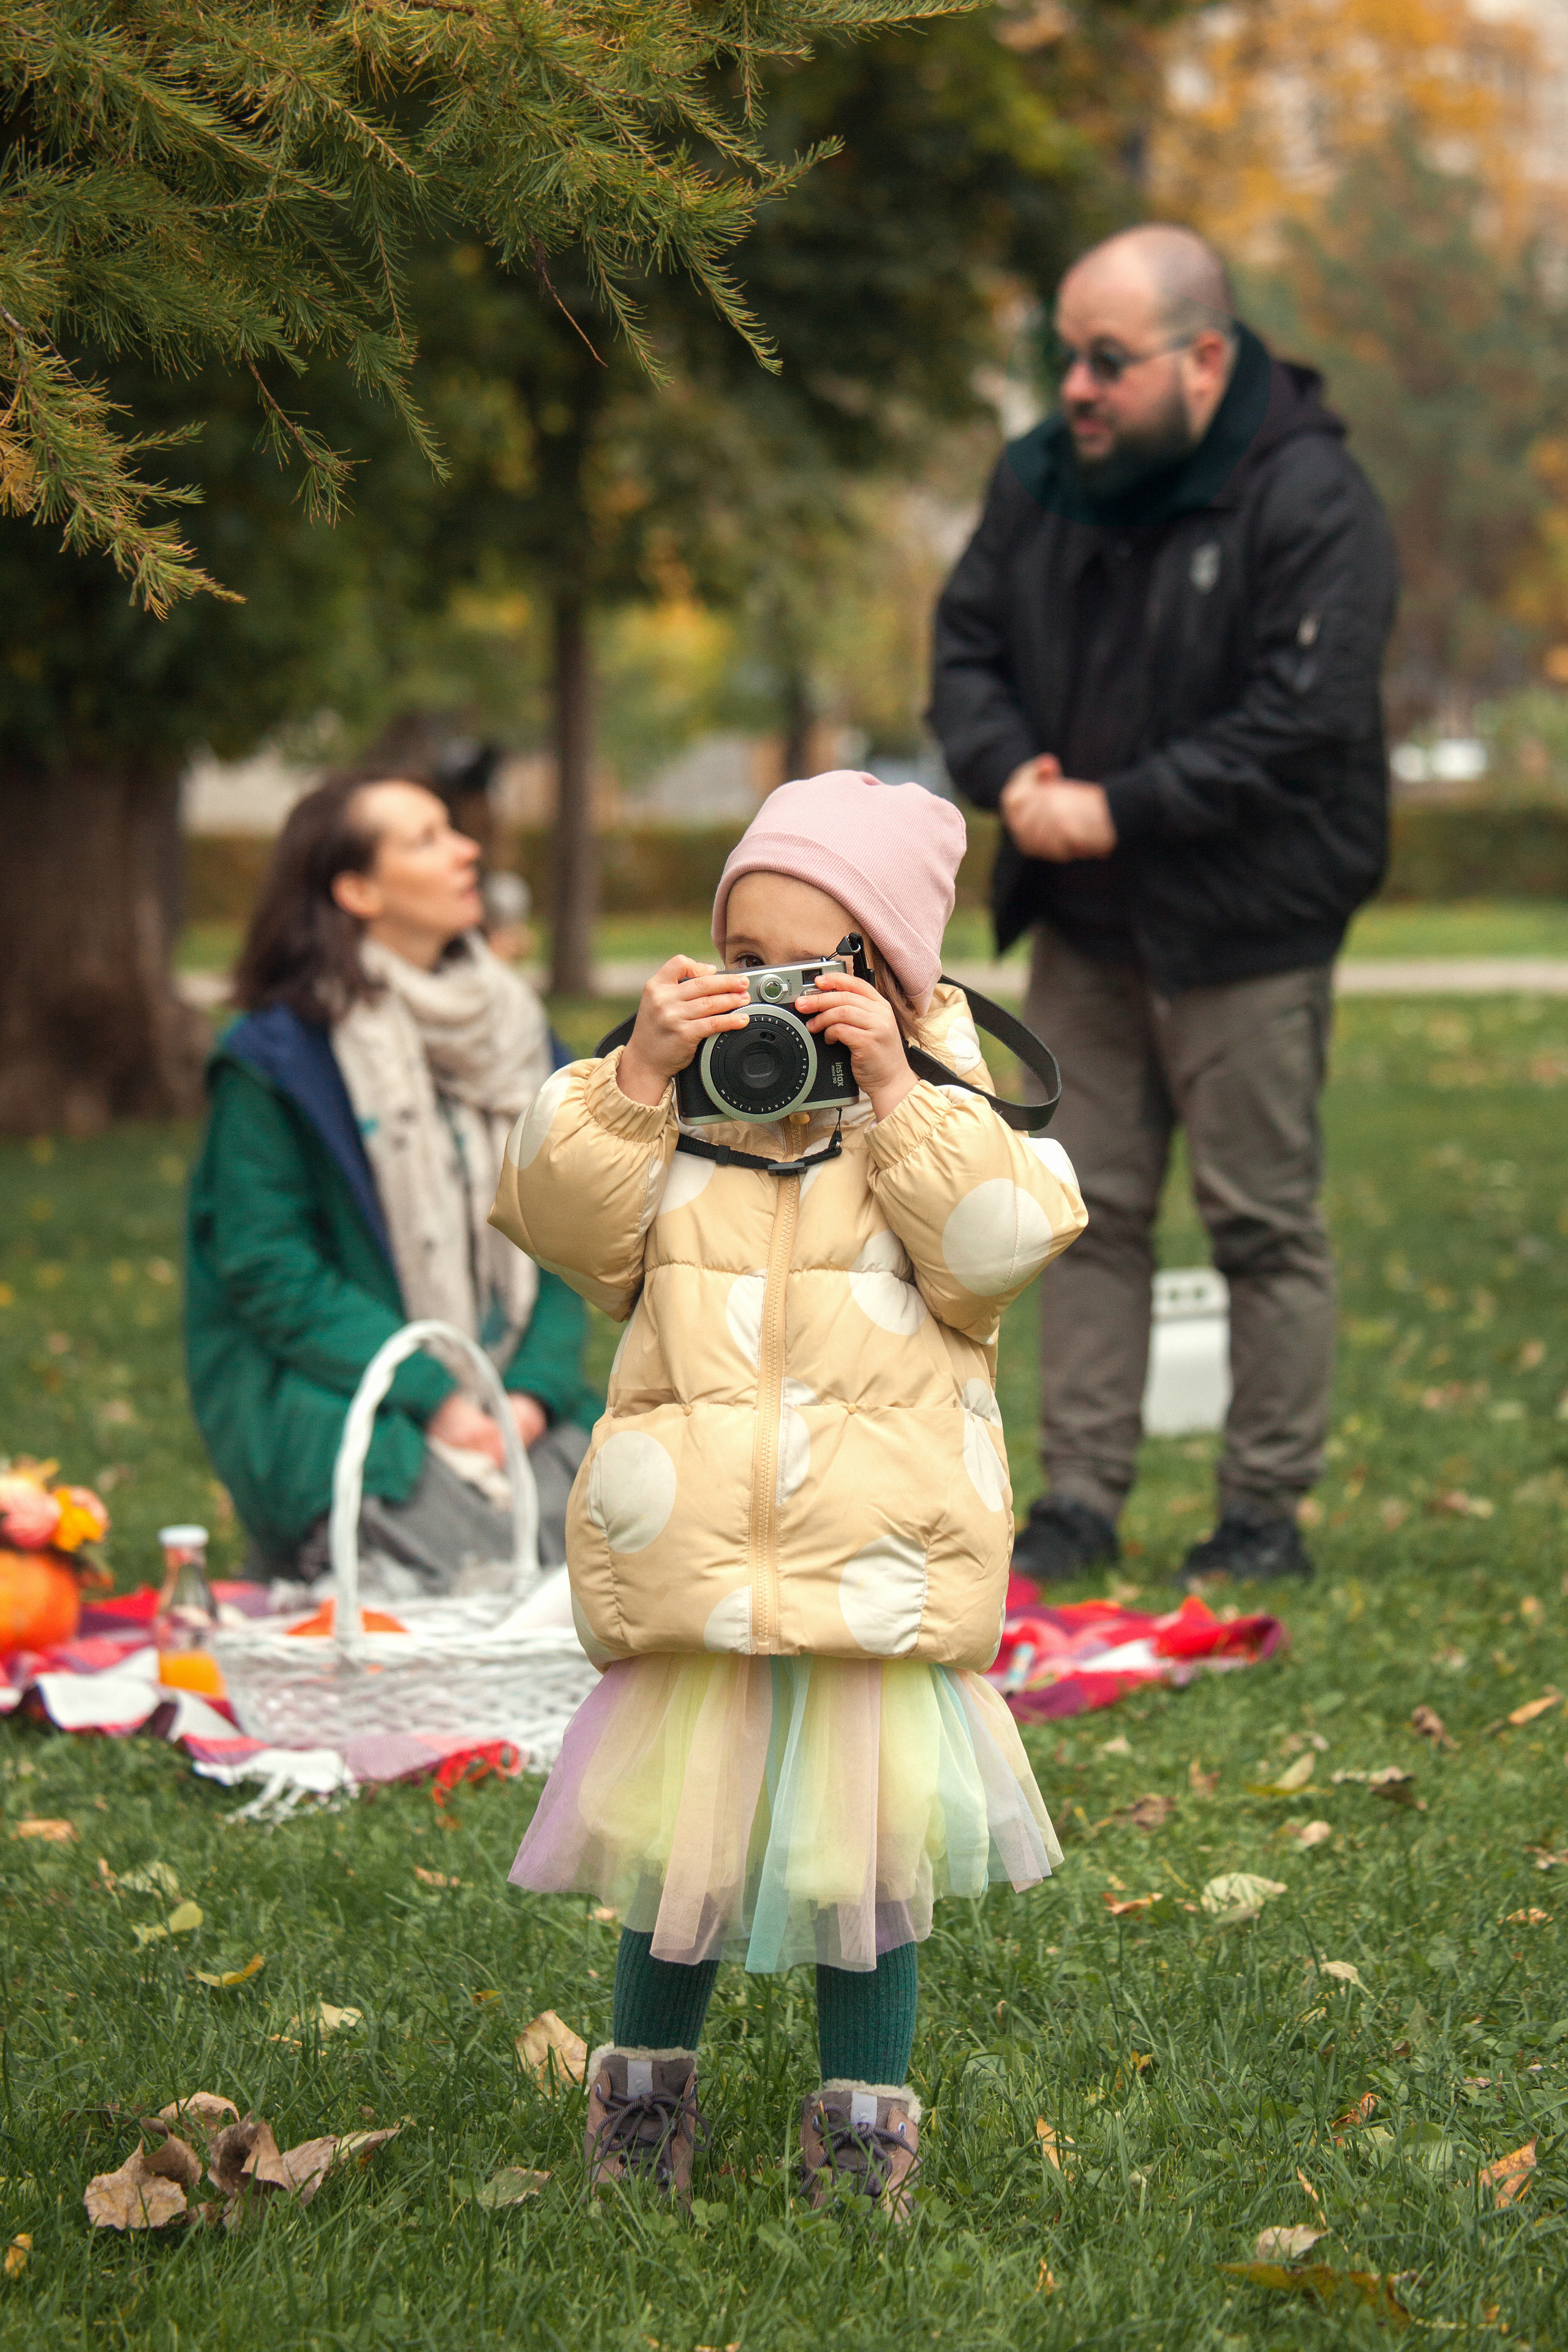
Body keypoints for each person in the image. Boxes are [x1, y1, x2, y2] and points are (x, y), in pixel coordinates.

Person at [489, 771, 1087, 2211]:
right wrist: (635, 1079)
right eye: (741, 957)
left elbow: (999, 1246)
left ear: (891, 973)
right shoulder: (667, 1107)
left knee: (866, 1862)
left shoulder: (940, 1105)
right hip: (694, 1560)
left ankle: (863, 2128)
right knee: (672, 1861)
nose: (771, 994)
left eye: (815, 967)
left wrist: (895, 1088)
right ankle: (638, 2110)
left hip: (871, 1568)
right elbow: (556, 1222)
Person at [928, 223, 1398, 1588]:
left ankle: (1260, 1510)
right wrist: (1008, 769)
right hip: (1083, 923)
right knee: (1087, 1215)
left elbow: (1301, 722)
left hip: (1248, 927)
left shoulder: (1311, 496)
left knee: (1259, 1220)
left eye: (1105, 361)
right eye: (1062, 357)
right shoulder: (1041, 483)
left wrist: (1119, 806)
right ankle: (1076, 1499)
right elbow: (963, 649)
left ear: (1203, 358)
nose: (1073, 387)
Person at [185, 774, 599, 1594]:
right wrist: (437, 1395)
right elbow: (268, 1266)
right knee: (476, 1567)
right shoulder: (277, 1061)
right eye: (427, 838)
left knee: (621, 1538)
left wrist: (533, 1393)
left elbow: (569, 1220)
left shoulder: (516, 1034)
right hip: (346, 1386)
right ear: (357, 890)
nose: (466, 850)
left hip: (509, 1384)